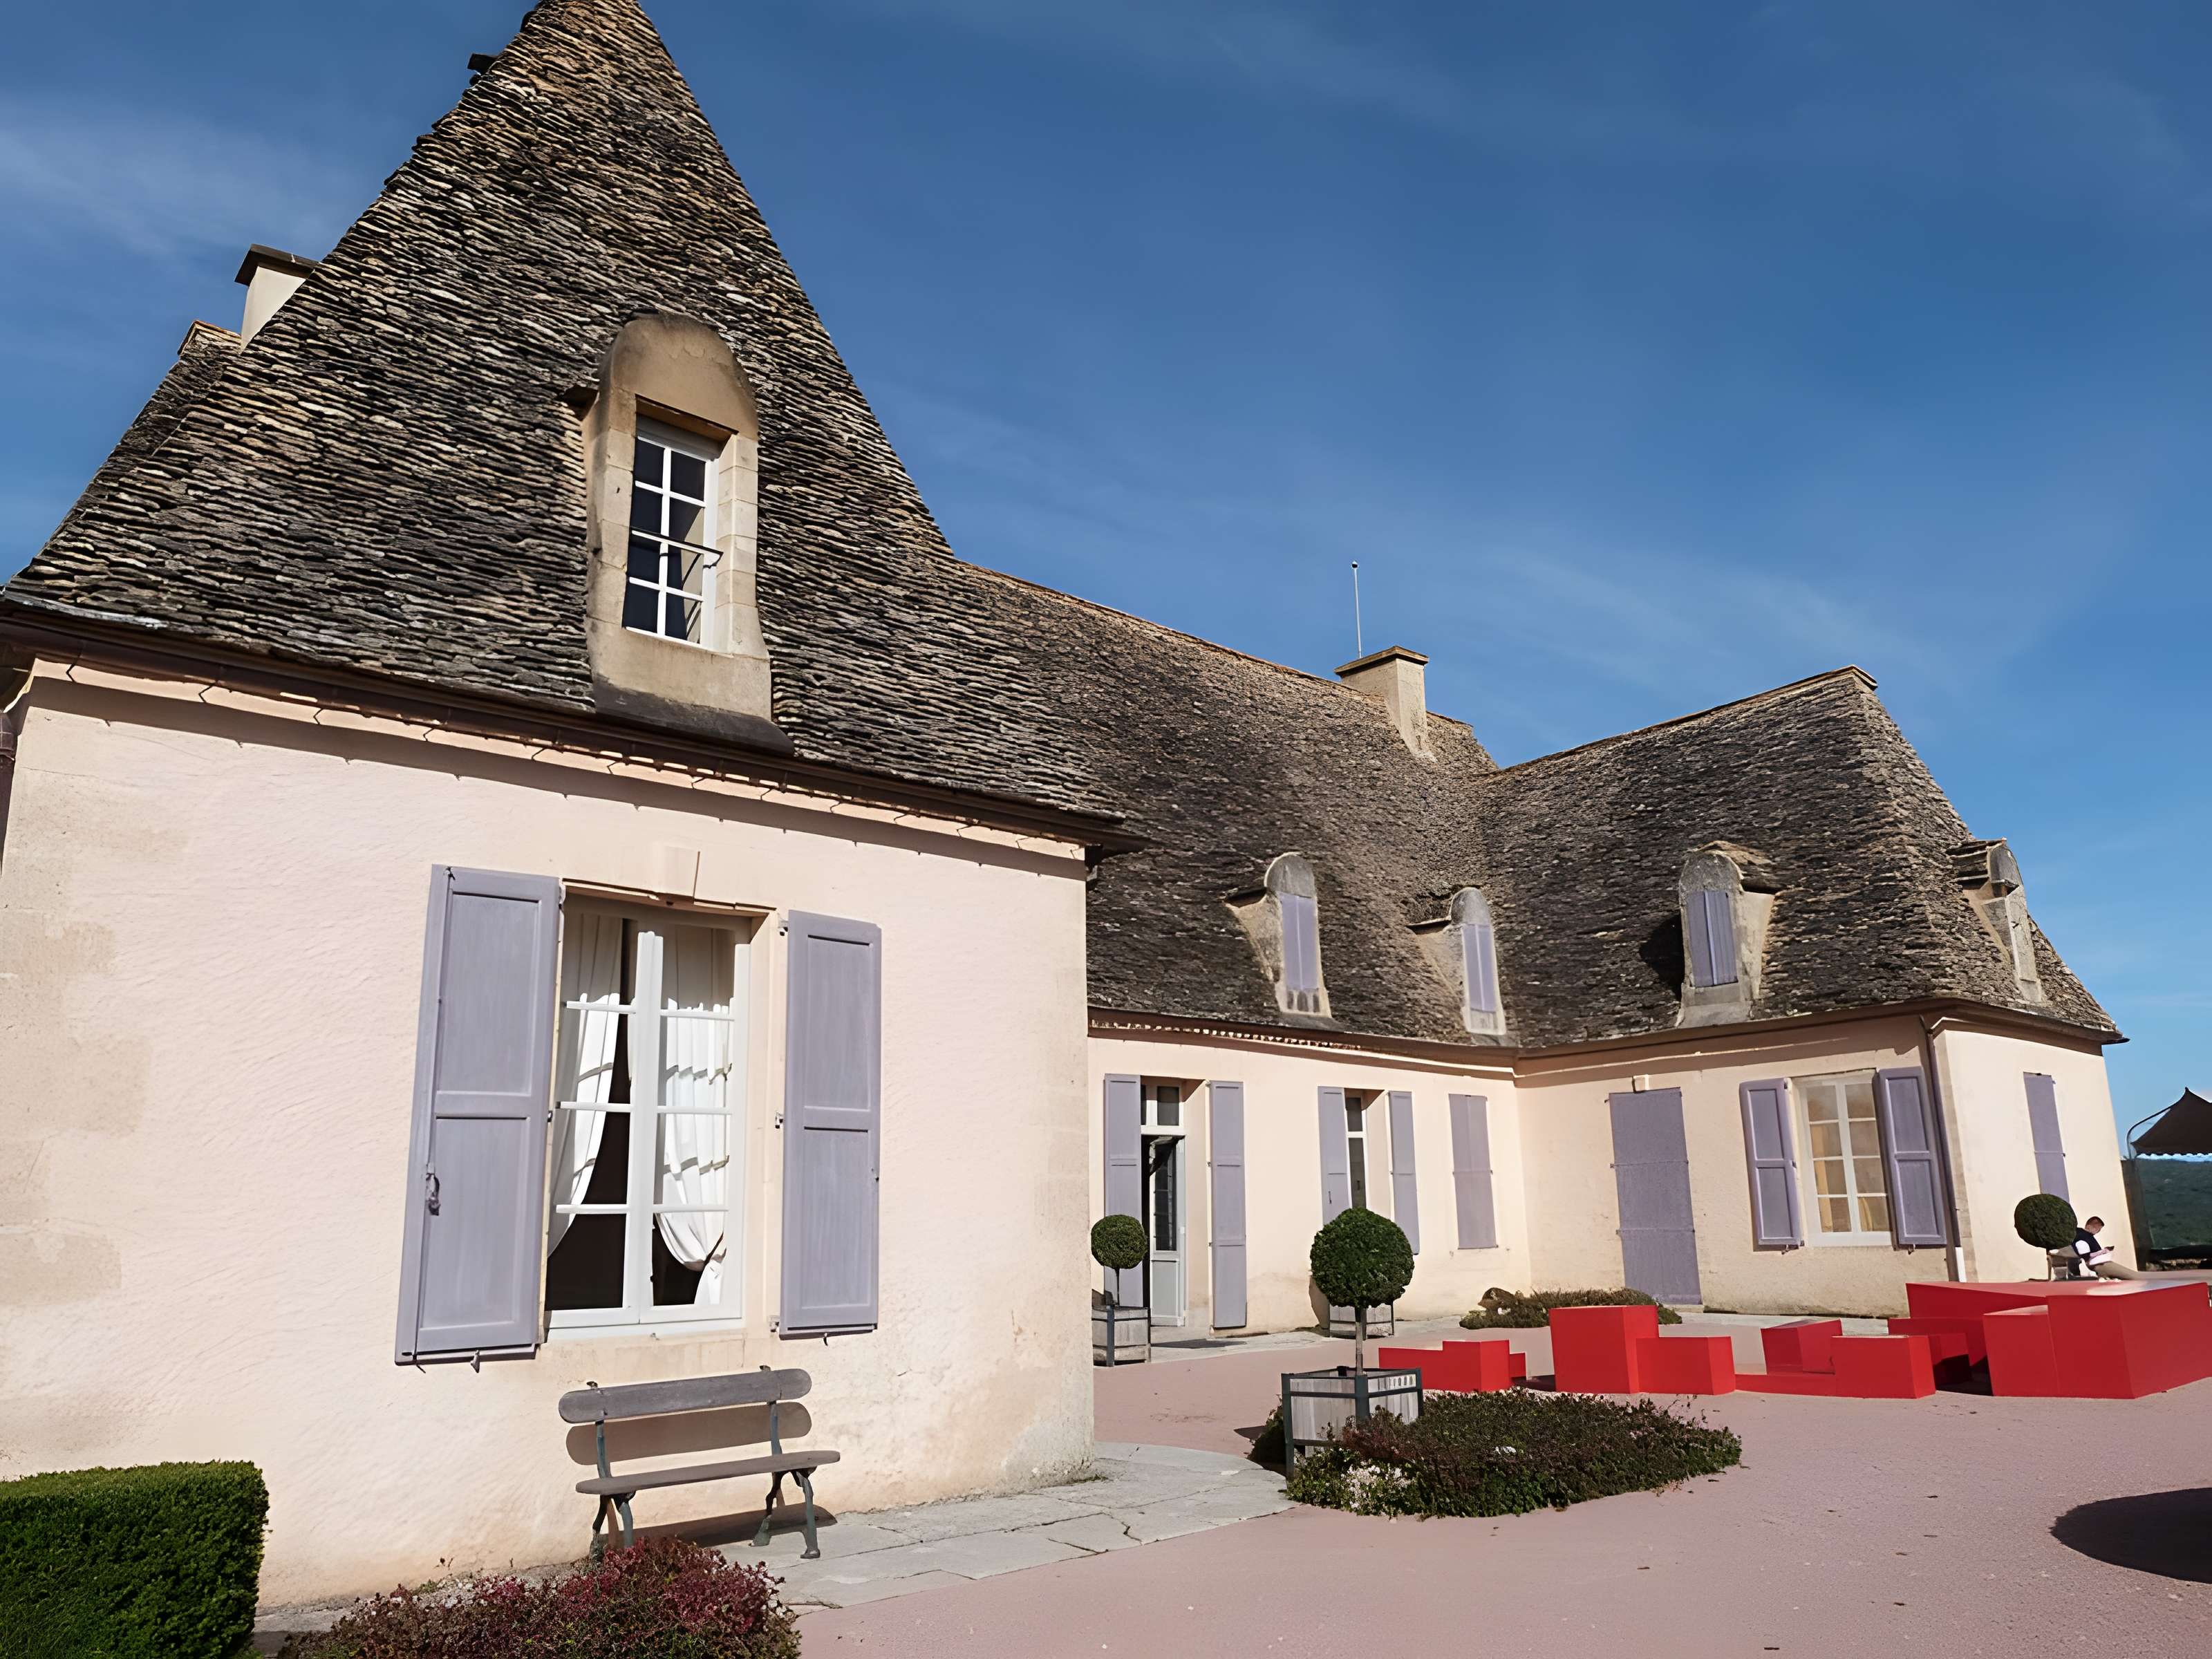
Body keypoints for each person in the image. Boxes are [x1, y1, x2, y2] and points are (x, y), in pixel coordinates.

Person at [2069, 1216, 2139, 1280]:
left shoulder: (2080, 1234)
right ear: (2089, 1226)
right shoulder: (2083, 1236)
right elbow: (2087, 1256)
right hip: (2099, 1265)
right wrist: (2103, 1252)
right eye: (2097, 1229)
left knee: (2133, 1275)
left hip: (2099, 1263)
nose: (2097, 1232)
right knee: (2134, 1276)